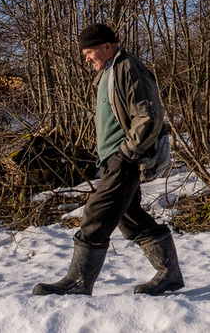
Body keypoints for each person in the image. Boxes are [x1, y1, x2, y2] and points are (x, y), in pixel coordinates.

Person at [33, 23, 183, 297]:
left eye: (89, 52)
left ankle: (78, 282)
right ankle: (169, 274)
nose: (86, 58)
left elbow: (148, 116)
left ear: (107, 46)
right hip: (112, 159)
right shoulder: (108, 72)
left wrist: (125, 153)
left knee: (96, 214)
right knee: (130, 217)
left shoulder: (127, 68)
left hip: (124, 158)